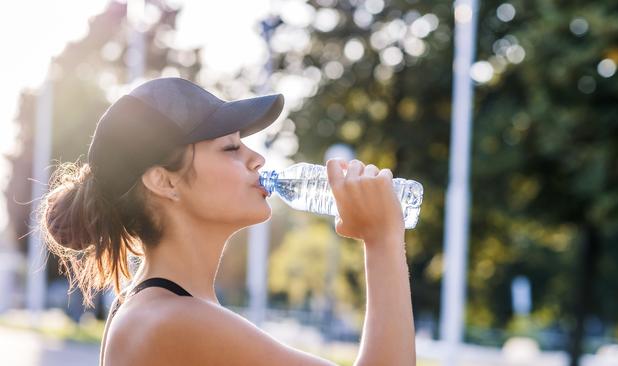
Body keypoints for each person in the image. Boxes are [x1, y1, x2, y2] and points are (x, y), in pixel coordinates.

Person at [40, 77, 415, 365]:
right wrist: (381, 240)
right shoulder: (168, 319)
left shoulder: (161, 308)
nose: (257, 160)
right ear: (164, 181)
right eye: (231, 148)